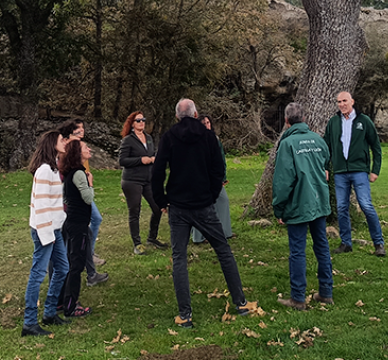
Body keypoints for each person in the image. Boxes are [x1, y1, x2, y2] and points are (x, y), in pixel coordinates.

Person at [151, 98, 257, 328]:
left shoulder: (169, 137)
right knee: (223, 251)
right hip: (203, 205)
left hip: (178, 206)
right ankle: (240, 302)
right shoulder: (209, 137)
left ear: (177, 116)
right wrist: (210, 195)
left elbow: (157, 172)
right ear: (196, 114)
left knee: (179, 258)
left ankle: (185, 315)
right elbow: (218, 170)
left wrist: (161, 200)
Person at [272, 102, 334, 310]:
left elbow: (283, 181)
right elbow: (325, 163)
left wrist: (279, 209)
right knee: (322, 247)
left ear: (286, 121)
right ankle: (326, 292)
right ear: (305, 119)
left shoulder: (287, 144)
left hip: (299, 203)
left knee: (297, 251)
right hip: (319, 201)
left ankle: (298, 297)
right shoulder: (318, 140)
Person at [324, 91, 386, 257]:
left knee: (366, 205)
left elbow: (376, 147)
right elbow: (326, 147)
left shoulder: (363, 121)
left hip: (359, 170)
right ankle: (346, 243)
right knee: (342, 207)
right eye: (339, 102)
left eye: (345, 101)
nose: (342, 104)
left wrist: (375, 170)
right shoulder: (333, 122)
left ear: (352, 101)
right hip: (340, 172)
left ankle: (379, 243)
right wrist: (326, 167)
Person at [22, 131, 70, 336]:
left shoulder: (52, 169)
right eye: (62, 140)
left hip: (54, 228)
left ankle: (49, 313)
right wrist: (46, 235)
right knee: (38, 274)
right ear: (53, 144)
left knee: (62, 268)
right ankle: (29, 323)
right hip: (45, 230)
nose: (65, 142)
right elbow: (40, 206)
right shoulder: (43, 171)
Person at [59, 119, 108, 286]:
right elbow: (86, 196)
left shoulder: (78, 153)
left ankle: (91, 272)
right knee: (74, 246)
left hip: (76, 204)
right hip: (74, 209)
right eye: (78, 132)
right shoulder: (68, 152)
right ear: (69, 136)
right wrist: (90, 184)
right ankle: (67, 285)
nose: (81, 135)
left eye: (82, 131)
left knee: (85, 235)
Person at [118, 111, 167, 254]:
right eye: (138, 120)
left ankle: (152, 238)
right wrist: (141, 160)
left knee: (158, 207)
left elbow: (153, 154)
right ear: (132, 123)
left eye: (143, 120)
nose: (141, 122)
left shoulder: (149, 138)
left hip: (148, 180)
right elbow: (122, 161)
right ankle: (137, 244)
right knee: (135, 211)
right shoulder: (128, 140)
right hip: (132, 180)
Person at [59, 139, 96, 317]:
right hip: (78, 225)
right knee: (76, 265)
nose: (89, 149)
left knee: (69, 263)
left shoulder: (68, 173)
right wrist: (90, 182)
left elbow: (66, 199)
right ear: (77, 153)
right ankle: (71, 306)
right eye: (85, 147)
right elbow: (88, 198)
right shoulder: (80, 174)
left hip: (70, 222)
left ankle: (61, 301)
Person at [191, 114, 232, 242]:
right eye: (204, 123)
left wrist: (222, 177)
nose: (207, 125)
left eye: (208, 123)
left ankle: (224, 232)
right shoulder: (194, 140)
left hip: (215, 179)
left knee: (223, 200)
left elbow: (221, 160)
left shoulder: (215, 139)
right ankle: (199, 236)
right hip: (200, 179)